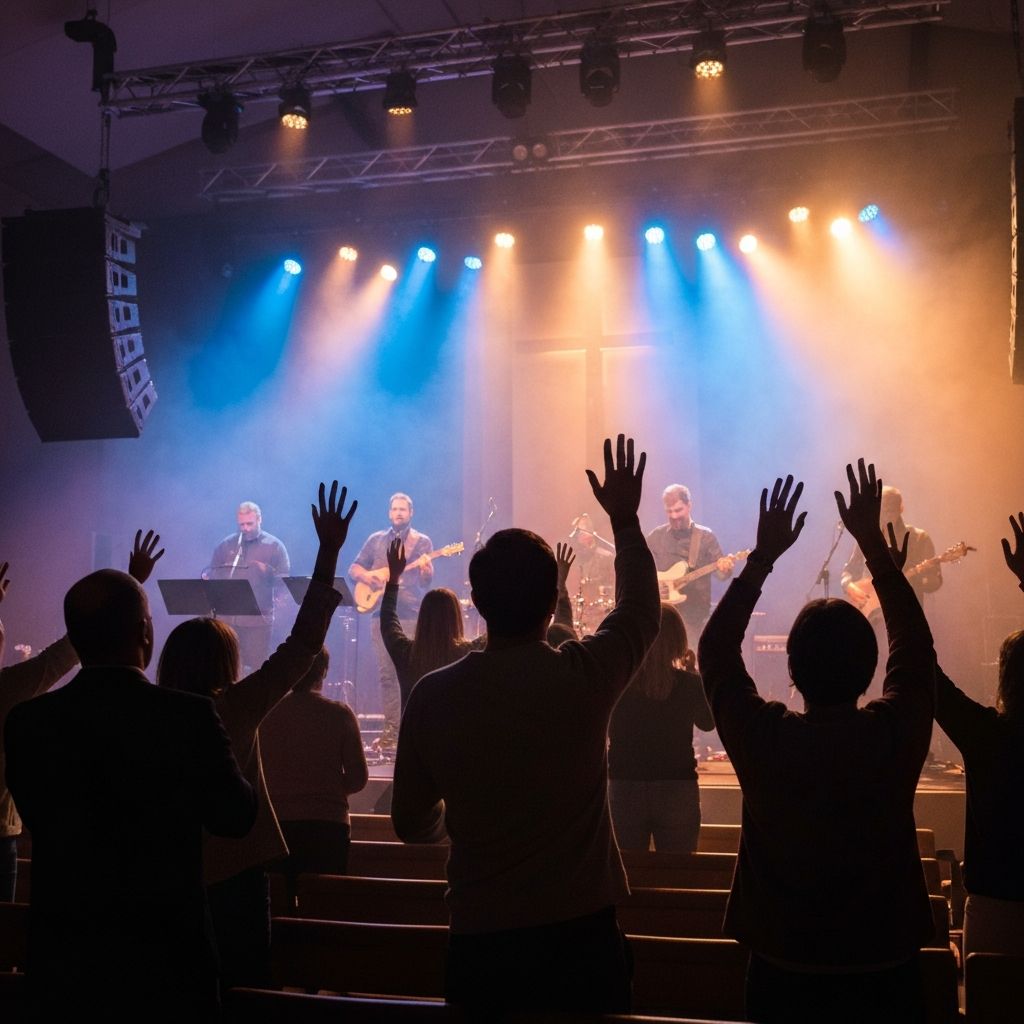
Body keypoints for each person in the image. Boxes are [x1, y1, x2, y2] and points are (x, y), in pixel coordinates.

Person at [392, 435, 660, 1017]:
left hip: (482, 938)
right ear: (553, 600)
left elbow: (410, 822)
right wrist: (625, 520)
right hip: (580, 934)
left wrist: (457, 823)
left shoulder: (433, 696)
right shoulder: (582, 676)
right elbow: (642, 610)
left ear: (479, 602)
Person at [698, 463, 936, 1024]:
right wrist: (876, 550)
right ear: (870, 669)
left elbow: (714, 653)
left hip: (784, 968)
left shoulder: (767, 738)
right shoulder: (891, 734)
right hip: (884, 965)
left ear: (793, 671)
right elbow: (917, 650)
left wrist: (762, 557)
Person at [4, 539, 257, 1020]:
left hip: (65, 960)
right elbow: (235, 817)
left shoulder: (28, 722)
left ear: (75, 638)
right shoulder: (189, 717)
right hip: (165, 959)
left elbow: (39, 817)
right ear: (145, 632)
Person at [160, 481, 355, 992]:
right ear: (226, 664)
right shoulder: (238, 705)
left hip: (168, 870)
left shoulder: (150, 713)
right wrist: (328, 552)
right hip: (238, 866)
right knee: (246, 984)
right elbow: (303, 645)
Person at [931, 510, 1024, 958]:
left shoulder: (987, 735)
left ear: (1004, 677)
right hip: (992, 904)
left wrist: (888, 576)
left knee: (990, 990)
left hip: (993, 909)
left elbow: (925, 673)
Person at [608, 601, 713, 852]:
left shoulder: (619, 681)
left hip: (625, 783)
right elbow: (708, 723)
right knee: (679, 868)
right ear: (678, 640)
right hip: (677, 784)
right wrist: (694, 674)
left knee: (628, 868)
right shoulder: (689, 684)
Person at [260, 645, 369, 884]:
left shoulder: (266, 714)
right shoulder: (340, 714)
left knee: (277, 895)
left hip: (276, 823)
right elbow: (358, 778)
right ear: (324, 671)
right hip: (327, 824)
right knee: (324, 896)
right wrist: (327, 787)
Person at [349, 493, 433, 751]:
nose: (398, 513)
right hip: (380, 615)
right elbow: (354, 568)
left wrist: (426, 571)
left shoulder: (422, 542)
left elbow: (425, 583)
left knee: (412, 673)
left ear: (411, 513)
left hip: (409, 614)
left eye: (402, 509)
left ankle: (414, 731)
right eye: (394, 509)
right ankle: (391, 733)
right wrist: (369, 577)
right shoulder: (376, 540)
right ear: (389, 513)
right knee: (387, 675)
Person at [207, 500, 291, 673]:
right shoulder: (226, 545)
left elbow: (284, 582)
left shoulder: (274, 546)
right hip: (227, 620)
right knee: (227, 667)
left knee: (257, 669)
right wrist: (210, 577)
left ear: (260, 520)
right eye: (241, 525)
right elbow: (212, 573)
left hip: (257, 621)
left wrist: (267, 571)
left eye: (249, 524)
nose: (245, 528)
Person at [646, 483, 734, 646]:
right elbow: (640, 570)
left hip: (695, 617)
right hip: (662, 616)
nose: (674, 516)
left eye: (678, 510)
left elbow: (721, 575)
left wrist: (725, 568)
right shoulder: (656, 537)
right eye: (669, 511)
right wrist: (654, 588)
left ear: (689, 506)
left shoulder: (705, 537)